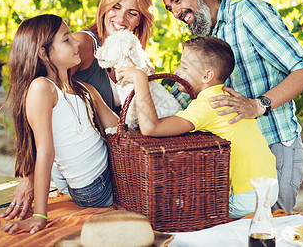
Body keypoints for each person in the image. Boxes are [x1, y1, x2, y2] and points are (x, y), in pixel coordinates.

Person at [156, 0, 303, 212]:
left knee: (266, 235)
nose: (177, 12)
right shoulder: (202, 44)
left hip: (272, 149)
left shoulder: (246, 14)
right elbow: (183, 96)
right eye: (170, 8)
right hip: (229, 165)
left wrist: (258, 104)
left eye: (178, 0)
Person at [0, 0, 154, 221]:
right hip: (88, 168)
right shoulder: (81, 46)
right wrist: (28, 177)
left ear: (140, 20)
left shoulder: (137, 60)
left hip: (110, 156)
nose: (121, 19)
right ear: (104, 8)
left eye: (132, 13)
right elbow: (37, 100)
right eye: (116, 7)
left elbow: (127, 121)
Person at [118, 36, 278, 218]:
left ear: (207, 76)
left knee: (179, 207)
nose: (177, 72)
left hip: (245, 194)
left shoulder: (208, 104)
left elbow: (151, 128)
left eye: (184, 67)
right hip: (267, 185)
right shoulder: (226, 97)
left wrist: (140, 79)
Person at [0, 14, 118, 234]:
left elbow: (121, 129)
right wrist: (40, 216)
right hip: (95, 188)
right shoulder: (42, 88)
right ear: (44, 53)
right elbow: (45, 153)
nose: (76, 43)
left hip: (109, 174)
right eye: (66, 39)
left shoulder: (83, 89)